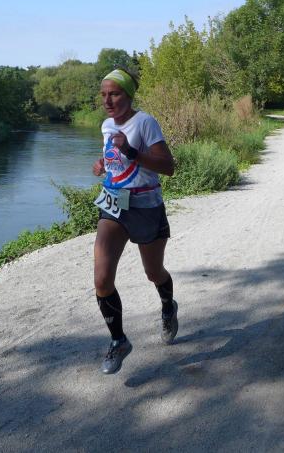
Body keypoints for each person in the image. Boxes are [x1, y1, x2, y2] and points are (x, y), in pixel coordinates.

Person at [91, 68, 177, 374]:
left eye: (114, 94)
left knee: (153, 272)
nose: (107, 101)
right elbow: (116, 160)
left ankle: (168, 306)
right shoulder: (106, 125)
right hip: (114, 205)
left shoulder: (145, 122)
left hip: (146, 207)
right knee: (102, 279)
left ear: (128, 95)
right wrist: (103, 163)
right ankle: (119, 340)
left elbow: (168, 166)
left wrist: (131, 150)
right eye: (103, 94)